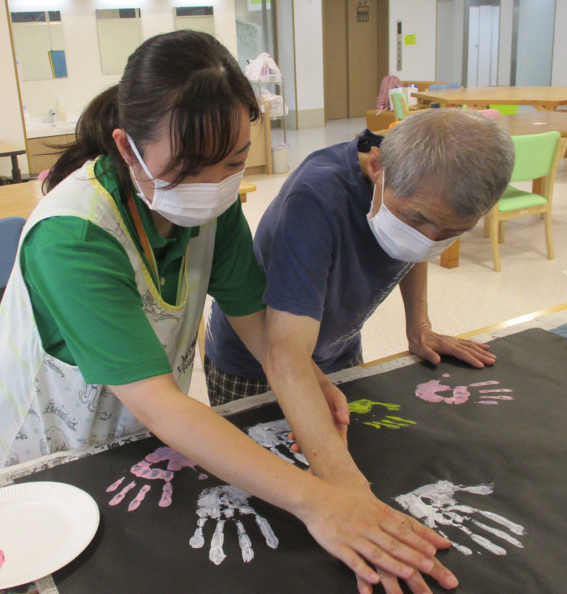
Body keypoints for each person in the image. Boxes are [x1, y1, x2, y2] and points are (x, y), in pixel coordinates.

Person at [0, 31, 458, 594]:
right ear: (127, 144)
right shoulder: (73, 236)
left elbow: (264, 334)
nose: (214, 184)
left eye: (236, 162)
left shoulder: (211, 207)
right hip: (34, 449)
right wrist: (320, 502)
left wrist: (317, 402)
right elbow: (163, 403)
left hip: (124, 432)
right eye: (190, 167)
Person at [203, 109, 515, 548]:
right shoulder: (316, 200)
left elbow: (414, 249)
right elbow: (284, 354)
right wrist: (350, 494)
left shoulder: (413, 193)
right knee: (270, 499)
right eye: (417, 220)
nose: (428, 237)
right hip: (255, 364)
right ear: (376, 167)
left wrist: (419, 326)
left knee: (358, 452)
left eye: (451, 232)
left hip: (337, 345)